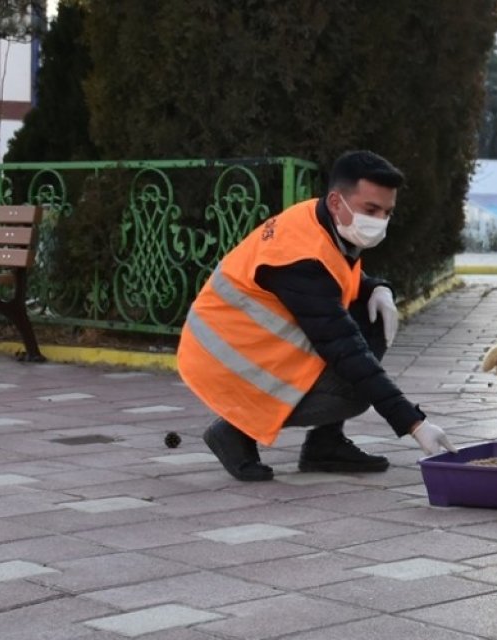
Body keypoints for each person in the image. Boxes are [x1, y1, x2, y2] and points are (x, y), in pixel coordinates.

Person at [177, 150, 456, 482]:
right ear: (338, 202)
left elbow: (337, 281)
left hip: (256, 349)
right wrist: (414, 423)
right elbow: (343, 347)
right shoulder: (298, 258)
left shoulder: (321, 220)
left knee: (370, 320)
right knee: (354, 389)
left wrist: (377, 288)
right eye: (371, 210)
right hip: (224, 362)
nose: (380, 221)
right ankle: (234, 430)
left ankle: (326, 444)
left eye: (387, 212)